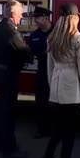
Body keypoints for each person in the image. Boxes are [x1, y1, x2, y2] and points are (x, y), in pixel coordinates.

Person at [40, 3, 80, 158]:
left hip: (56, 87)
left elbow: (49, 68)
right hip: (72, 90)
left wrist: (52, 88)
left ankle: (48, 156)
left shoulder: (52, 37)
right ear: (74, 18)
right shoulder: (78, 38)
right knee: (69, 133)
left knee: (59, 127)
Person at [0, 0, 34, 158]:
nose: (22, 17)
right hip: (8, 75)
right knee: (8, 111)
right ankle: (9, 148)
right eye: (20, 13)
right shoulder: (10, 30)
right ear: (12, 14)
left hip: (0, 73)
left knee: (1, 109)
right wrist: (30, 56)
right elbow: (23, 49)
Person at [28, 7, 53, 139]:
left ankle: (56, 129)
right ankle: (42, 129)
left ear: (45, 18)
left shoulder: (57, 33)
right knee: (41, 102)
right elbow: (30, 52)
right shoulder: (34, 35)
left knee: (56, 102)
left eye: (37, 18)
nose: (35, 21)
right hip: (42, 72)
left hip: (56, 73)